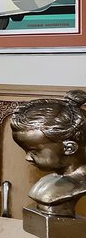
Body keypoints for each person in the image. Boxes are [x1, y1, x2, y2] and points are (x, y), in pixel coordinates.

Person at [10, 90, 86, 218]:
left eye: (34, 151)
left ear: (69, 148)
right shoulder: (47, 183)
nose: (27, 158)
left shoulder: (75, 186)